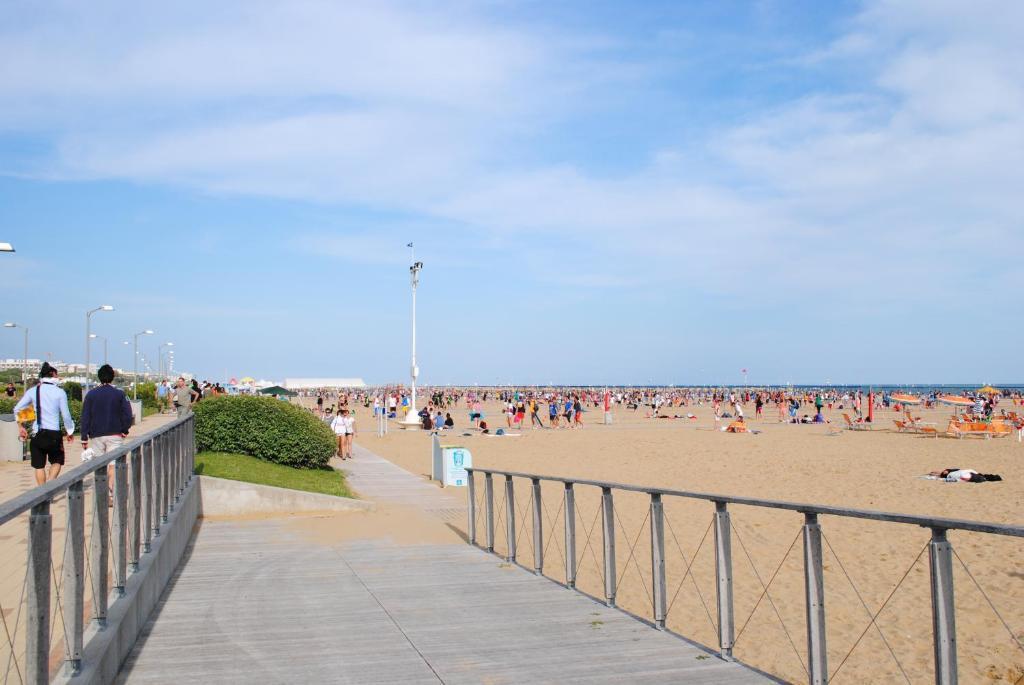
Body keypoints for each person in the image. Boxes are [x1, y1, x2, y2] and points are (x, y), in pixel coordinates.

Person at [14, 362, 75, 486]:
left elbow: (17, 409)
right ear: (52, 374)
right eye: (57, 375)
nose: (58, 377)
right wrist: (70, 431)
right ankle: (50, 485)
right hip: (54, 434)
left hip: (37, 433)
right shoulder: (60, 392)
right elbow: (66, 415)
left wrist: (21, 427)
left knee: (39, 466)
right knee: (57, 461)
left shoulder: (33, 391)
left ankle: (42, 491)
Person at [81, 364, 134, 497]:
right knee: (113, 463)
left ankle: (101, 492)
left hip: (96, 435)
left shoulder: (91, 395)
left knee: (100, 464)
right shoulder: (120, 394)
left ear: (99, 377)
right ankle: (111, 491)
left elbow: (85, 416)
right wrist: (125, 430)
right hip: (115, 434)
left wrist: (84, 437)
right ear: (112, 377)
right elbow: (128, 415)